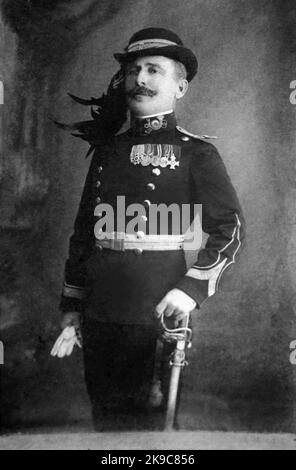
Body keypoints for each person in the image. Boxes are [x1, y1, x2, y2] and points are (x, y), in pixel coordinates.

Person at [58, 27, 246, 431]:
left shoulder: (196, 153)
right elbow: (83, 234)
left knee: (149, 432)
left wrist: (190, 290)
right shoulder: (107, 152)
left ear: (180, 87)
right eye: (134, 70)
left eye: (153, 70)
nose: (140, 79)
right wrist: (73, 307)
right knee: (106, 425)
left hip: (158, 311)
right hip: (101, 313)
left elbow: (229, 229)